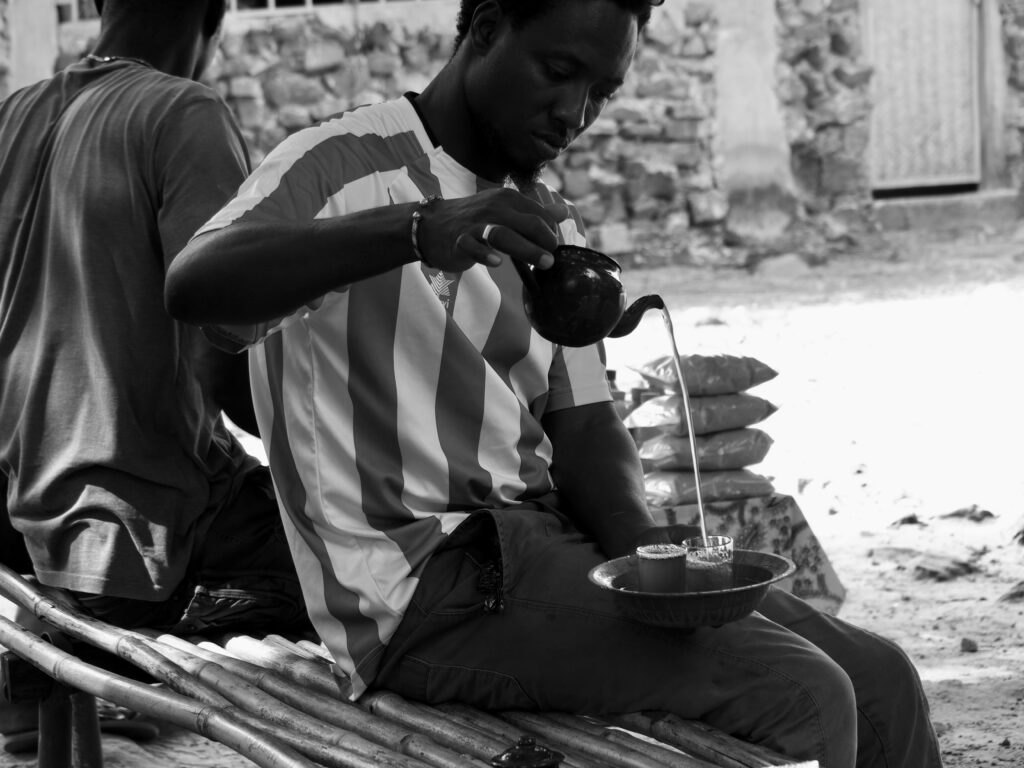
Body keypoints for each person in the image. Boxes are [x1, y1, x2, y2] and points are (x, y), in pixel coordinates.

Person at [165, 1, 943, 765]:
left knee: (883, 680)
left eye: (603, 91)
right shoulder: (340, 165)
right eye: (559, 71)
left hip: (546, 549)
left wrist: (652, 560)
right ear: (487, 28)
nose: (574, 112)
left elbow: (585, 423)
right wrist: (416, 231)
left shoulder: (547, 220)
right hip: (420, 590)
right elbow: (196, 286)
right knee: (806, 694)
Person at [0, 0, 306, 636]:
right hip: (128, 552)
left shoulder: (12, 115)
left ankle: (43, 697)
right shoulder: (184, 111)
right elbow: (221, 365)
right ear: (212, 23)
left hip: (15, 521)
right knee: (386, 560)